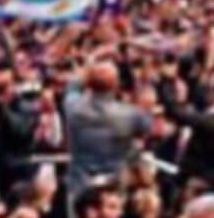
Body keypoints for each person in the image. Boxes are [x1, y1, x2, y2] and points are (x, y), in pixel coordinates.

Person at [62, 60, 151, 200]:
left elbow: (72, 87)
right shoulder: (129, 115)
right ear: (116, 85)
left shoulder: (74, 107)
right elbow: (146, 126)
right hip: (113, 185)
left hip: (78, 182)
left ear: (89, 83)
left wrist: (86, 72)